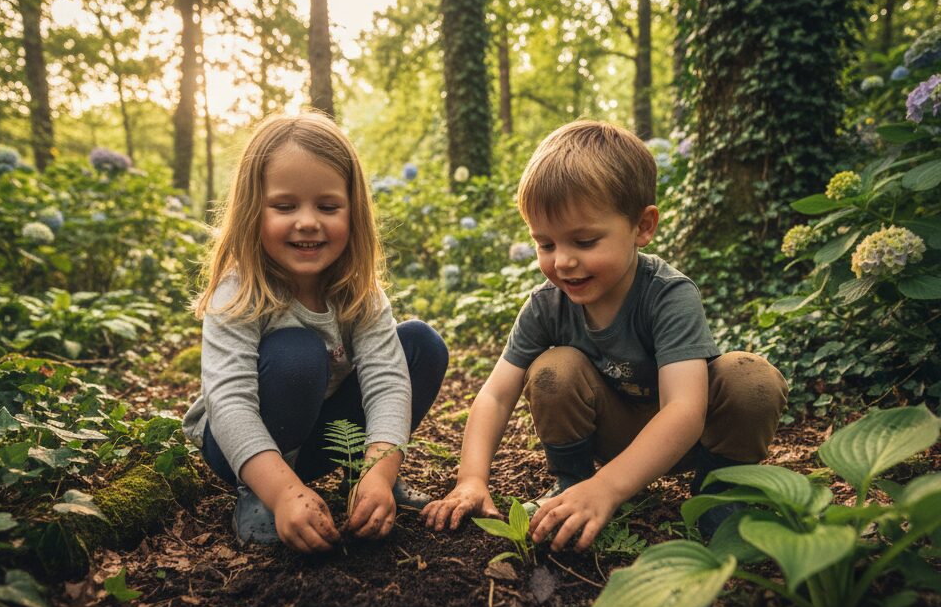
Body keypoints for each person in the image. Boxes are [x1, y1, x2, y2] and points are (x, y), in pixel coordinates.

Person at [422, 120, 787, 551]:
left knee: (752, 378)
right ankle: (572, 484)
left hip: (688, 440)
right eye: (546, 244)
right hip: (606, 433)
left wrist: (609, 488)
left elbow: (685, 410)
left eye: (585, 241)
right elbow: (496, 395)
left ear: (642, 226)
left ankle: (719, 495)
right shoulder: (547, 304)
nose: (564, 263)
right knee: (553, 369)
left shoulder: (668, 295)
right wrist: (471, 479)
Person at [183, 112, 448, 553]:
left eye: (327, 207)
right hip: (240, 449)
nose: (308, 222)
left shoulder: (358, 291)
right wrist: (283, 492)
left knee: (421, 345)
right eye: (285, 206)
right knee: (299, 353)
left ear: (352, 211)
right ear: (254, 210)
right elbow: (229, 401)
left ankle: (360, 484)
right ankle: (260, 497)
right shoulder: (240, 290)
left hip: (318, 438)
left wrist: (379, 471)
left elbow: (387, 382)